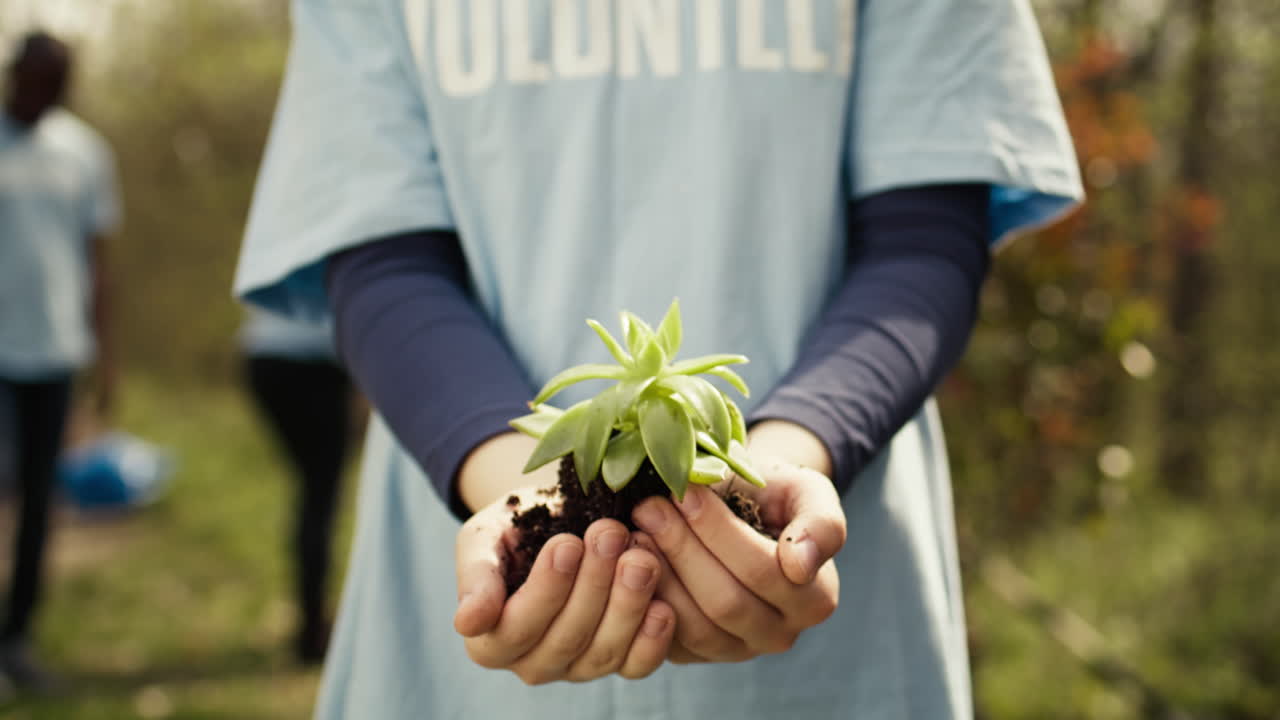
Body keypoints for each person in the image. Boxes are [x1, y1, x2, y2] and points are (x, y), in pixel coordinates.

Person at [235, 0, 1083, 717]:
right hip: (467, 569)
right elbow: (382, 257)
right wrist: (522, 499)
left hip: (829, 594)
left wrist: (775, 468)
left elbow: (925, 237)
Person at [0, 31, 120, 691]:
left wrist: (108, 363)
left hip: (54, 352)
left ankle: (17, 638)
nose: (38, 91)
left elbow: (99, 265)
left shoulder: (83, 153)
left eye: (53, 81)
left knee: (39, 503)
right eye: (30, 77)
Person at [239, 307, 353, 664]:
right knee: (320, 496)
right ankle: (312, 632)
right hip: (316, 364)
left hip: (261, 356)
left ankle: (312, 623)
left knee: (311, 491)